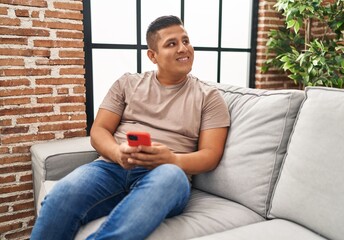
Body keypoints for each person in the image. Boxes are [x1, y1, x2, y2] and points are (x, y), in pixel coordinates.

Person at [31, 15, 230, 240]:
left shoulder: (209, 97)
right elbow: (99, 131)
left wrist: (172, 160)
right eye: (172, 44)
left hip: (166, 175)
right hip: (111, 167)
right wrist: (117, 153)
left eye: (186, 41)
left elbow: (211, 155)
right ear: (152, 56)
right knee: (61, 196)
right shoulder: (127, 83)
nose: (184, 48)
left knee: (171, 176)